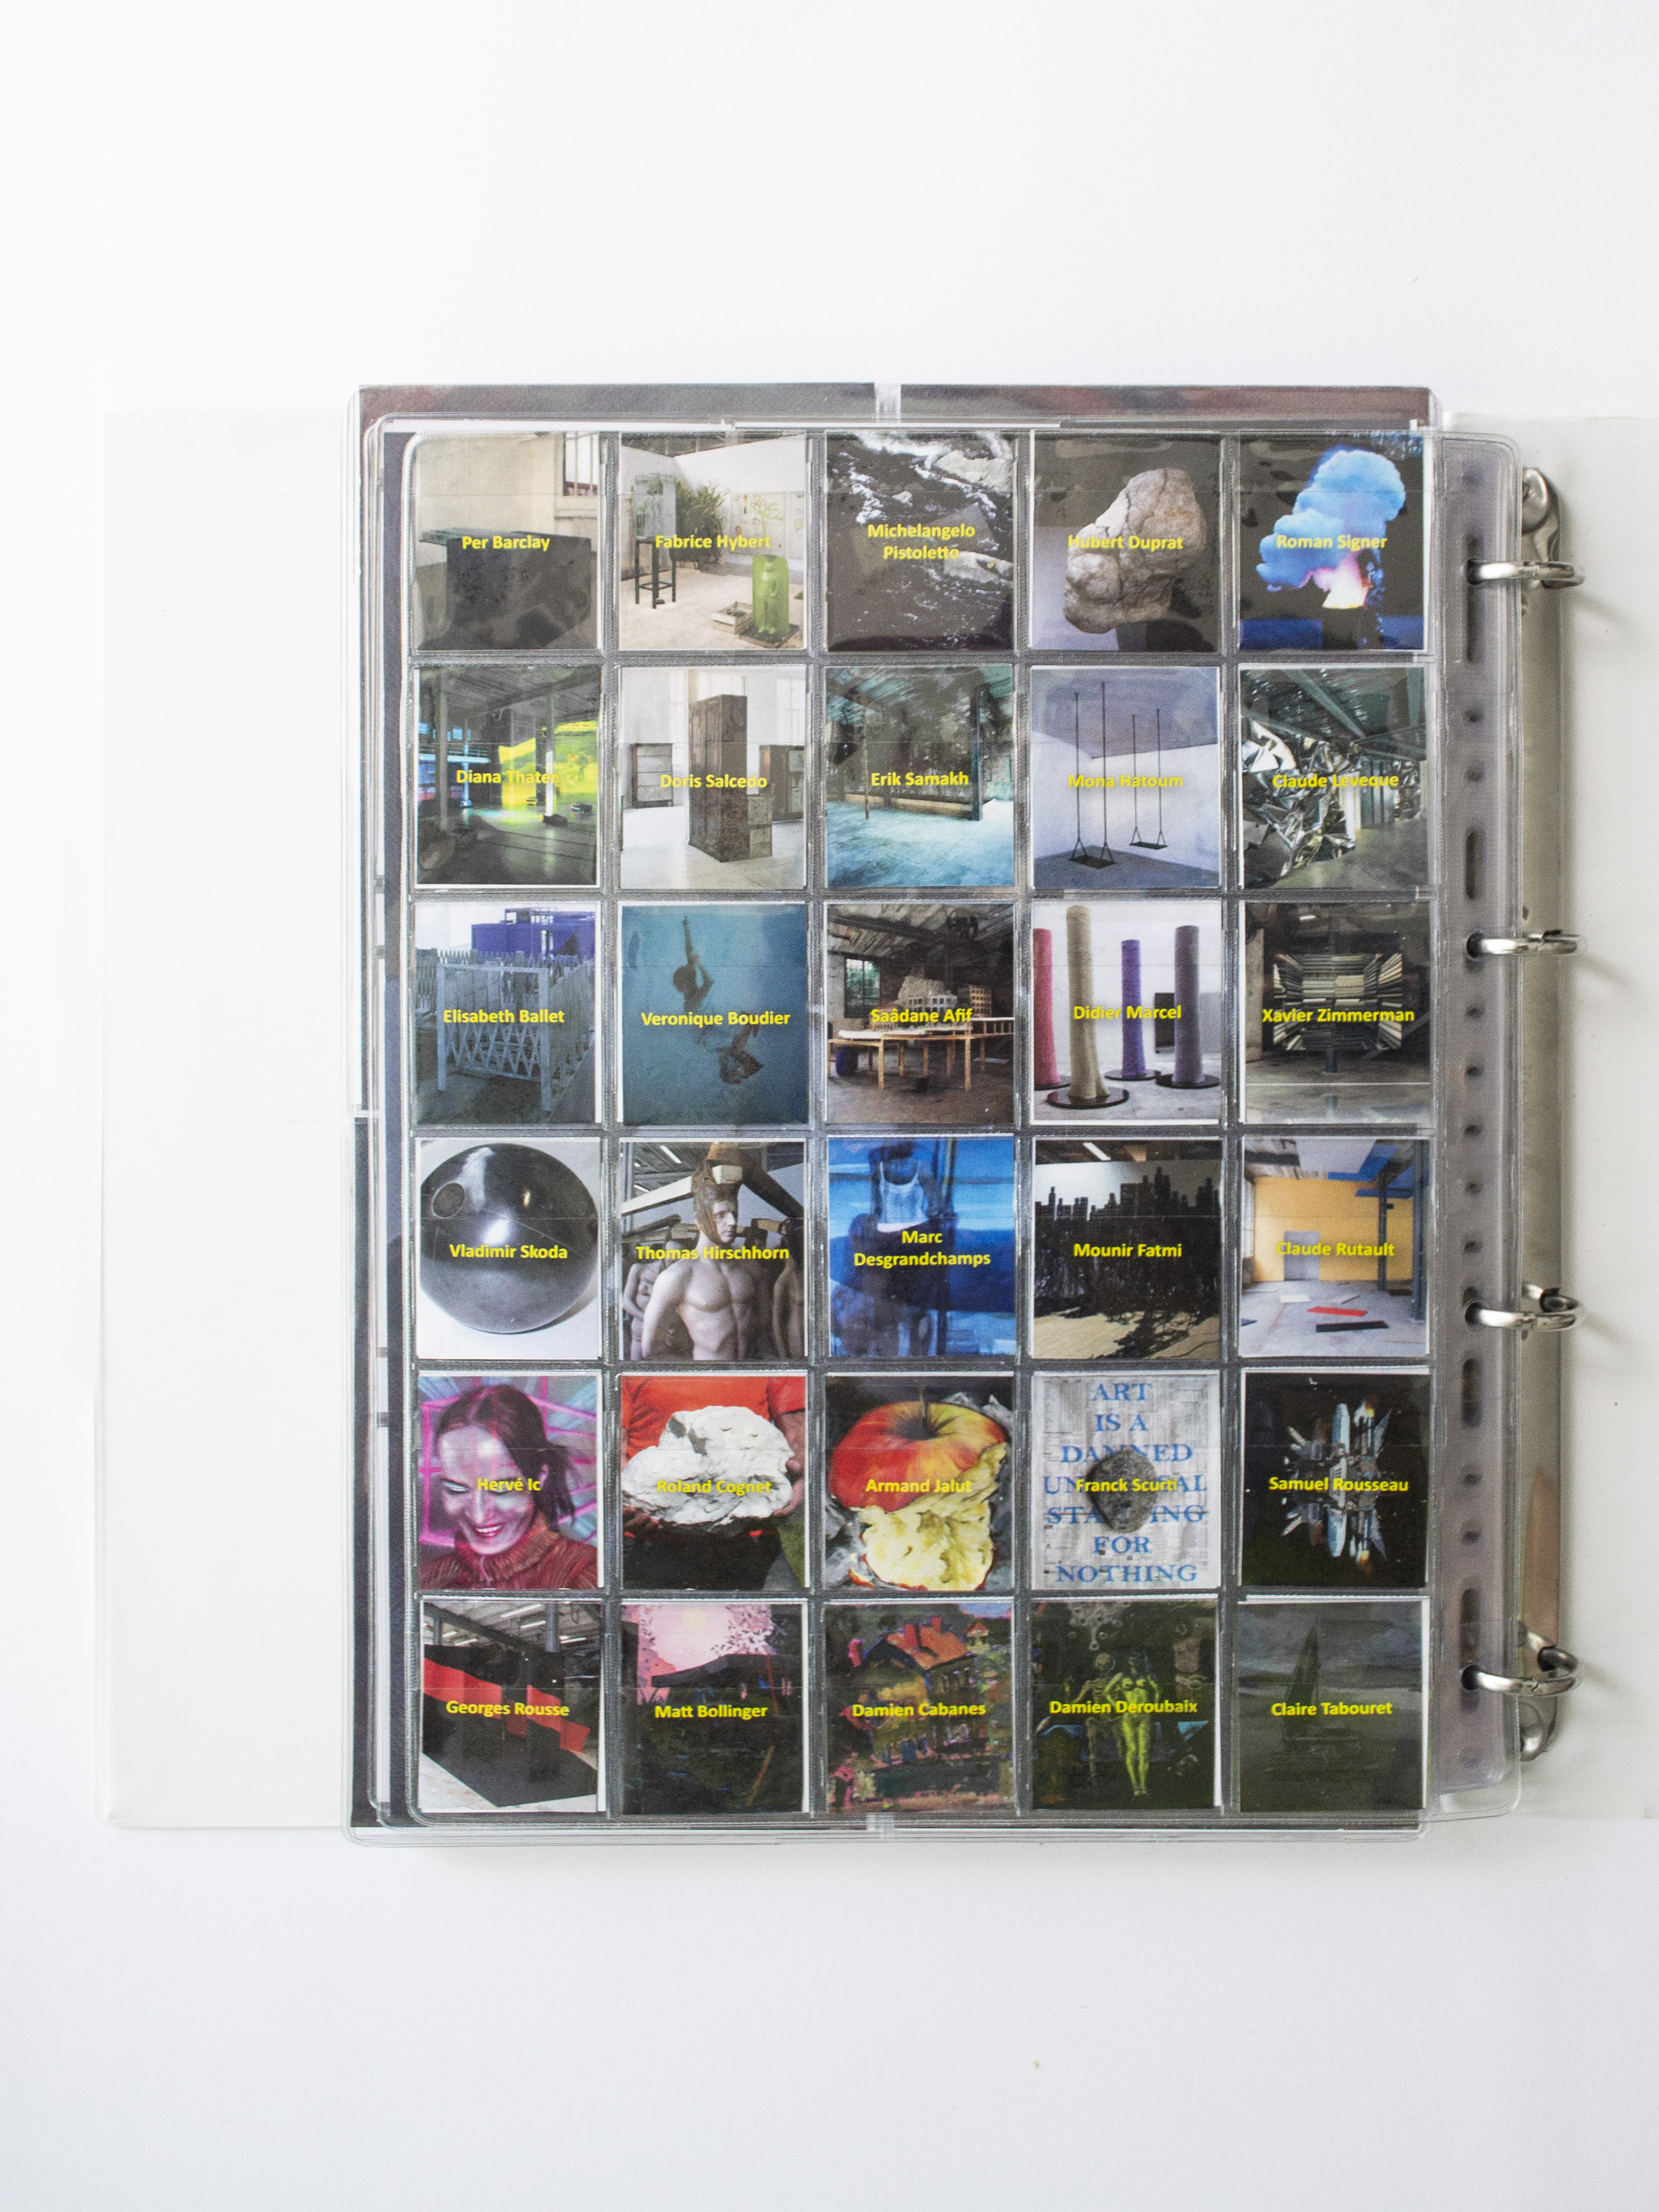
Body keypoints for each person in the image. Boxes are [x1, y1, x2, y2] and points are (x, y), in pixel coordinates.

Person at [621, 1373, 806, 1591]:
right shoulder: (629, 1370)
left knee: (757, 1613)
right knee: (650, 1613)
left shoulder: (768, 1361)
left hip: (750, 1531)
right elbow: (613, 1446)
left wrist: (802, 1474)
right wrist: (623, 1497)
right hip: (653, 1536)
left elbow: (798, 1431)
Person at [420, 1384, 598, 1590]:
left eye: (501, 1489)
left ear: (540, 1478)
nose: (479, 1516)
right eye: (456, 1490)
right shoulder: (428, 1578)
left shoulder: (586, 1574)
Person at [638, 1157, 787, 1361]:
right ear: (700, 1218)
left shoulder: (752, 1269)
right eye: (721, 1215)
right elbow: (651, 1350)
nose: (732, 1222)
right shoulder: (677, 1276)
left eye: (734, 1214)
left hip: (749, 1371)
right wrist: (699, 1374)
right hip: (708, 1373)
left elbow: (763, 1332)